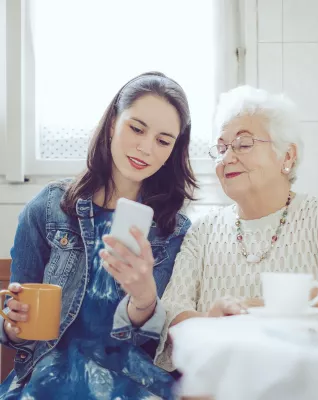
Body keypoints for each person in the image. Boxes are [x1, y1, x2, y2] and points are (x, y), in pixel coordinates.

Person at [153, 85, 318, 371]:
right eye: (221, 148)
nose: (227, 158)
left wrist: (266, 307)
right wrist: (211, 323)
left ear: (288, 157)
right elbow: (172, 312)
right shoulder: (203, 231)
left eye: (243, 144)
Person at [0, 72, 197, 399]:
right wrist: (14, 324)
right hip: (48, 374)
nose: (145, 148)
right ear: (112, 124)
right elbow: (18, 326)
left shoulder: (174, 231)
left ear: (173, 151)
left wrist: (145, 298)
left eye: (163, 141)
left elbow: (150, 345)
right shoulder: (48, 208)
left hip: (130, 378)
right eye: (136, 128)